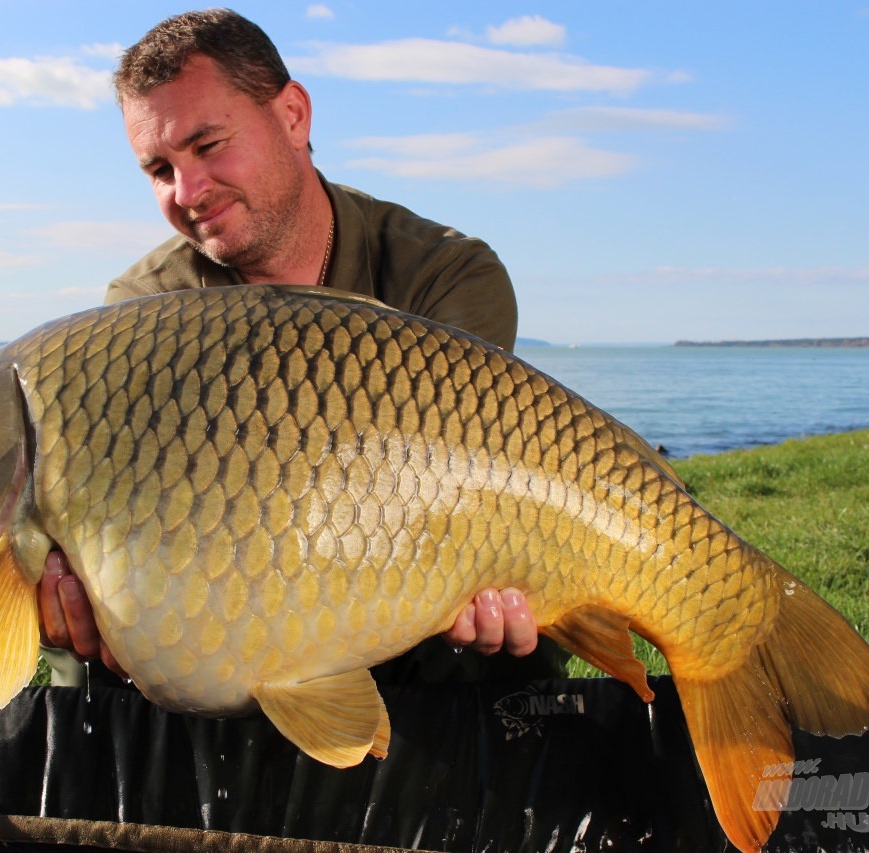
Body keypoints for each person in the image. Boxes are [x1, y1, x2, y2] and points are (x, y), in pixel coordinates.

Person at [39, 8, 563, 686]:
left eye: (207, 145)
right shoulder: (142, 312)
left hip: (412, 588)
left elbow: (457, 495)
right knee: (94, 655)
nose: (188, 191)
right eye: (159, 169)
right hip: (228, 615)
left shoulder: (445, 274)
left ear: (293, 115)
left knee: (514, 642)